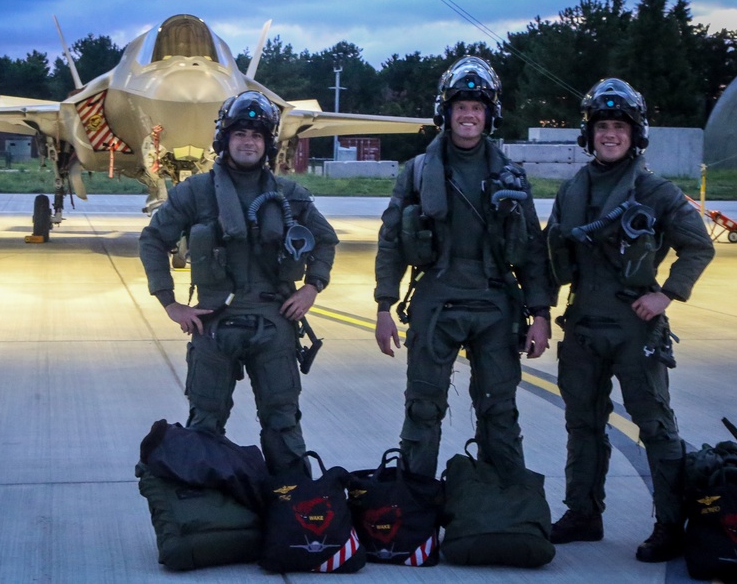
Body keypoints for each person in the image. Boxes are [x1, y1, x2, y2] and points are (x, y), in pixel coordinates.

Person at [545, 78, 715, 562]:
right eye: (602, 127)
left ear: (634, 134)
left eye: (619, 127)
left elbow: (697, 246)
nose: (610, 135)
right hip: (581, 324)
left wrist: (666, 295)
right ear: (589, 134)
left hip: (634, 325)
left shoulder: (655, 191)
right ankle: (582, 513)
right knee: (582, 424)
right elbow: (550, 252)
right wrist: (538, 312)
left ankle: (669, 524)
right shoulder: (572, 189)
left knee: (655, 426)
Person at [138, 90, 338, 475]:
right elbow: (153, 239)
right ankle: (207, 518)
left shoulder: (289, 195)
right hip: (213, 323)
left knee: (283, 425)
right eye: (240, 133)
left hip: (273, 321)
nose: (248, 142)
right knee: (204, 427)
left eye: (257, 135)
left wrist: (312, 287)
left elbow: (325, 240)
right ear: (224, 139)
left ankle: (292, 515)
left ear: (267, 143)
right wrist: (170, 302)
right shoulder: (195, 192)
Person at [374, 56, 553, 481]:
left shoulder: (512, 176)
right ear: (446, 113)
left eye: (477, 106)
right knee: (422, 408)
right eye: (460, 107)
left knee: (500, 412)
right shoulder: (417, 173)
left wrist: (541, 314)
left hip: (495, 304)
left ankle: (504, 507)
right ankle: (416, 508)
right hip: (436, 301)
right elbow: (390, 242)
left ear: (489, 114)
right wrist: (384, 305)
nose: (469, 114)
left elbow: (531, 250)